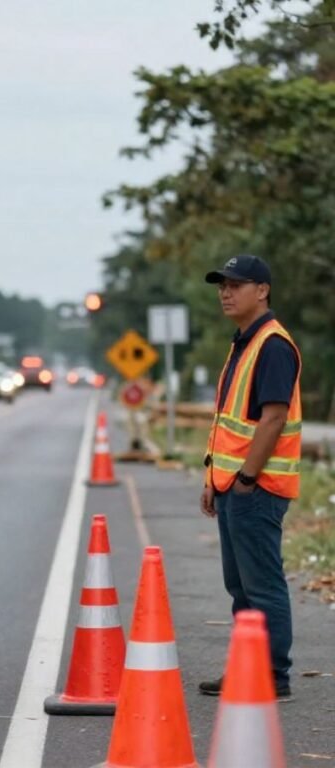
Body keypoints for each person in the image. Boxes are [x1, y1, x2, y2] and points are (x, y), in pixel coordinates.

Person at [198, 254, 301, 700]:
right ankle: (247, 668)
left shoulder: (273, 345)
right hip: (232, 486)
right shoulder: (244, 342)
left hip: (256, 488)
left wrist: (246, 477)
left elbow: (273, 418)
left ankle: (272, 675)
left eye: (236, 284)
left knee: (262, 585)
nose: (226, 292)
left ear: (262, 291)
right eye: (222, 285)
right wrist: (212, 475)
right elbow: (228, 418)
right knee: (240, 586)